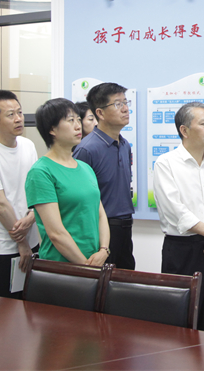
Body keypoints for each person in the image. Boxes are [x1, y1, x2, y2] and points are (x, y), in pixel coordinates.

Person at [153, 102, 204, 334]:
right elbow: (173, 208)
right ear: (184, 130)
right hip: (183, 250)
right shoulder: (166, 163)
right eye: (203, 123)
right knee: (182, 318)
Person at [25, 98, 110, 265]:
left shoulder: (85, 168)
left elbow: (100, 214)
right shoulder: (41, 172)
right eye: (71, 120)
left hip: (95, 262)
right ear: (52, 129)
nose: (78, 126)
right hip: (61, 267)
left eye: (78, 119)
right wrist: (85, 266)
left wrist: (104, 250)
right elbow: (56, 233)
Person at [0, 91, 39, 299]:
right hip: (2, 247)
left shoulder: (28, 146)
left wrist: (32, 215)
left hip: (32, 240)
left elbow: (36, 188)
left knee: (30, 303)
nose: (19, 119)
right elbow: (0, 204)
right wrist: (22, 243)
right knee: (5, 308)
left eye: (19, 112)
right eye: (11, 115)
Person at [72, 83, 135, 269]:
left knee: (125, 279)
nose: (125, 109)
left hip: (126, 226)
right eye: (118, 104)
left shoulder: (125, 145)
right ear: (100, 113)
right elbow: (78, 200)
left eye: (126, 102)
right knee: (102, 283)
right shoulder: (86, 149)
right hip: (101, 229)